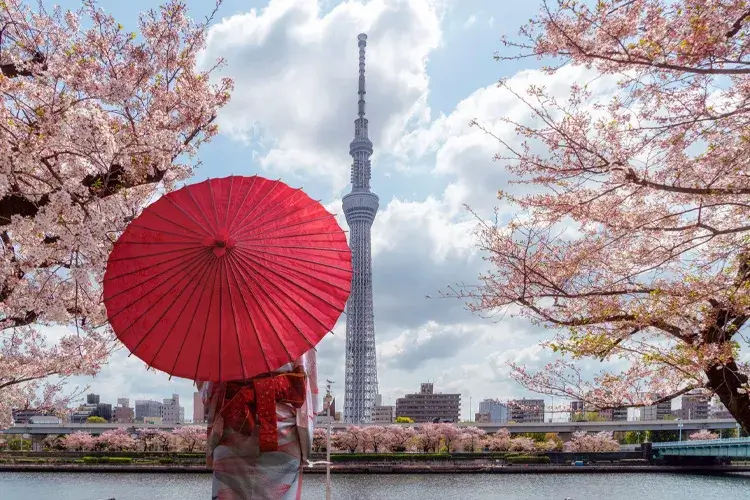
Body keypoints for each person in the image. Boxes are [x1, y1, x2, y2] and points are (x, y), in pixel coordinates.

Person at [197, 349, 319, 500]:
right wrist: (306, 443)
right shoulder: (296, 331)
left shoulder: (217, 333)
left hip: (233, 428)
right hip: (284, 434)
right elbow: (308, 390)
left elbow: (208, 394)